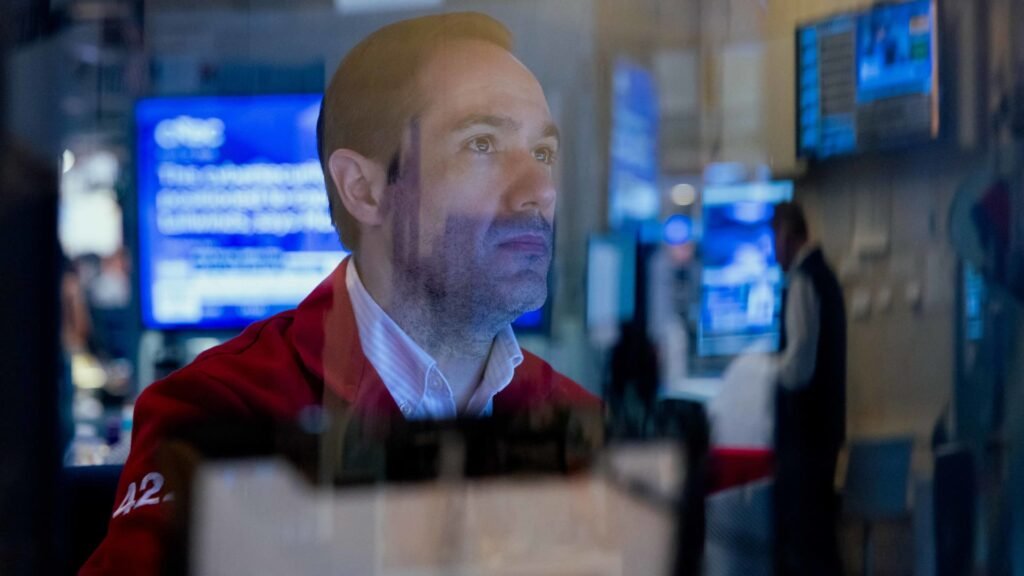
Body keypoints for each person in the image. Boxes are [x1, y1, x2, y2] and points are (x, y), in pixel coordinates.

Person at [80, 12, 597, 574]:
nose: (540, 190)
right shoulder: (220, 414)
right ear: (364, 189)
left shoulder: (575, 420)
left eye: (543, 154)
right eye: (482, 144)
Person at [769, 201, 847, 576]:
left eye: (774, 240)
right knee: (820, 538)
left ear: (787, 235)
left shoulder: (802, 282)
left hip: (805, 435)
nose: (774, 252)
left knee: (806, 542)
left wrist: (765, 372)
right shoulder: (825, 277)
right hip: (826, 428)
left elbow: (798, 367)